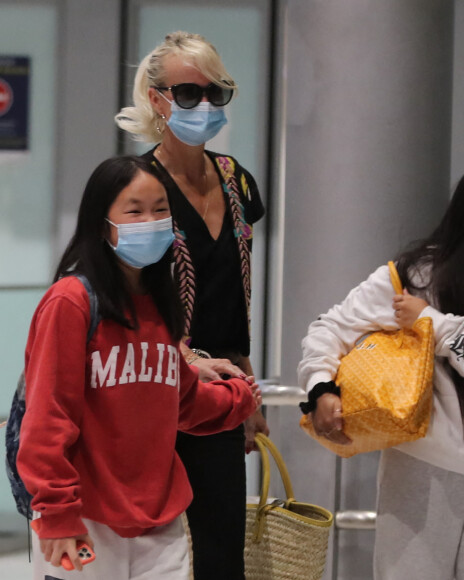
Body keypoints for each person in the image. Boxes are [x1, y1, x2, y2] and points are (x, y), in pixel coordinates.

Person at [298, 159, 464, 580]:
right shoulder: (416, 274)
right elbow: (330, 328)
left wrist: (430, 322)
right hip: (421, 470)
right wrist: (320, 389)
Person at [17, 155, 261, 580]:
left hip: (159, 522)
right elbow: (47, 419)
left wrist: (236, 400)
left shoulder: (163, 304)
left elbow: (180, 403)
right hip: (86, 519)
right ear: (100, 222)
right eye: (135, 211)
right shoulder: (70, 302)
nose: (151, 221)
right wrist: (57, 513)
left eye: (161, 210)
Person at [115, 31, 268, 579]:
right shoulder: (139, 187)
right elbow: (123, 296)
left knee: (221, 548)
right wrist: (178, 355)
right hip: (155, 381)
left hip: (220, 384)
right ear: (156, 99)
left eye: (215, 93)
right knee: (154, 546)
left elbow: (235, 289)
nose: (202, 106)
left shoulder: (236, 181)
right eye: (186, 94)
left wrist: (249, 391)